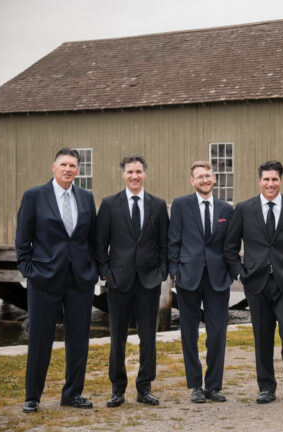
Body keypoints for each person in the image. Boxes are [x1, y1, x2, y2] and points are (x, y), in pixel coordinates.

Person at [223, 160, 283, 406]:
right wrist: (242, 273)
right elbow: (230, 248)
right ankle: (266, 387)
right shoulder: (244, 209)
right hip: (256, 283)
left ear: (281, 181)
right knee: (262, 337)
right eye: (266, 179)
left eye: (274, 179)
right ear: (259, 181)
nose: (270, 184)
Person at [16, 147, 99, 413]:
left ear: (78, 170)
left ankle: (72, 394)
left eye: (73, 165)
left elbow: (93, 239)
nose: (68, 169)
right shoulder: (34, 196)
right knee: (40, 339)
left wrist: (93, 270)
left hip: (79, 280)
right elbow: (22, 240)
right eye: (63, 164)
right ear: (53, 168)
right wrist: (28, 270)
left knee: (79, 339)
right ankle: (33, 396)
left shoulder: (86, 197)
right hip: (44, 279)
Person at [94, 154, 169, 407]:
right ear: (123, 174)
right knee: (118, 336)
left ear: (145, 173)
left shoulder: (158, 205)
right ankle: (117, 388)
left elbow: (164, 244)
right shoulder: (109, 204)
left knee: (148, 336)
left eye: (138, 171)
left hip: (149, 281)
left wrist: (162, 271)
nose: (134, 176)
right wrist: (106, 272)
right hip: (119, 280)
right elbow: (100, 244)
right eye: (130, 172)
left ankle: (144, 387)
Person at [168, 161, 233, 404]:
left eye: (208, 176)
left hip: (218, 279)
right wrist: (174, 270)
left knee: (217, 333)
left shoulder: (226, 209)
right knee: (189, 333)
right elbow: (173, 239)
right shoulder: (181, 205)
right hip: (188, 276)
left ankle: (214, 386)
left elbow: (230, 244)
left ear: (214, 178)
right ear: (192, 181)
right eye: (199, 177)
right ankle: (195, 385)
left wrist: (231, 272)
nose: (204, 180)